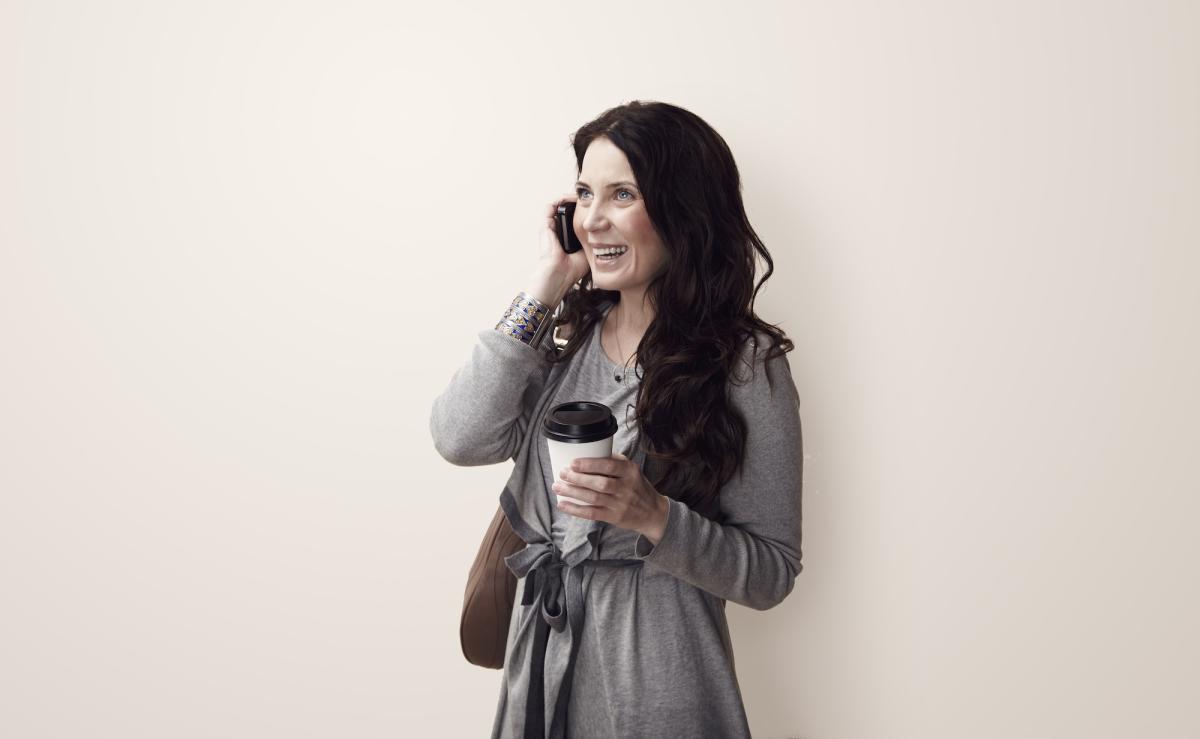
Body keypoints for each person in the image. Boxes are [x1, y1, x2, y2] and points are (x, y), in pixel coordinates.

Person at [430, 100, 804, 739]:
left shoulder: (745, 364)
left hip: (657, 684)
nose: (593, 219)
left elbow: (771, 573)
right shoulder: (563, 339)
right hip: (540, 668)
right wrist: (544, 287)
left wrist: (655, 516)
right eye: (584, 194)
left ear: (684, 211)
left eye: (622, 194)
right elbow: (459, 438)